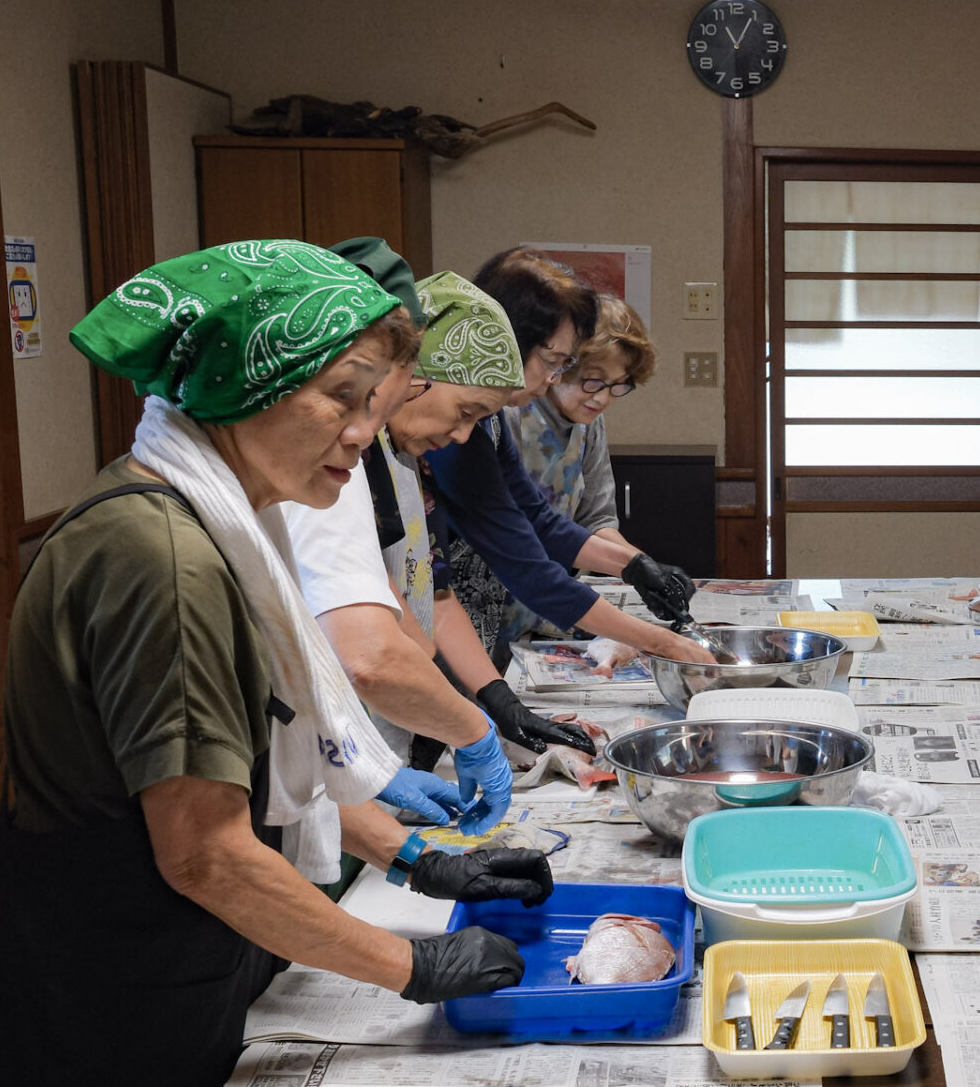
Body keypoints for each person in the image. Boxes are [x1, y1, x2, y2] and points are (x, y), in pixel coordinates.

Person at [0, 241, 556, 1087]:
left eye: (379, 399)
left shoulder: (203, 508)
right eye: (342, 396)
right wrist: (409, 962)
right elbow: (206, 848)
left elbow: (264, 758)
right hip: (109, 969)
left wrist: (413, 854)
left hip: (150, 946)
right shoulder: (168, 558)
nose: (366, 432)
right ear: (249, 378)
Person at [281, 251, 531, 833]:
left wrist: (473, 703)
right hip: (323, 749)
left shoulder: (397, 460)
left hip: (360, 751)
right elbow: (366, 653)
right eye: (465, 411)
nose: (463, 434)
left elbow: (408, 595)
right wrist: (470, 729)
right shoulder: (330, 464)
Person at [425, 247, 709, 665]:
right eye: (553, 362)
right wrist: (663, 643)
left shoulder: (491, 423)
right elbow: (524, 559)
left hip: (492, 626)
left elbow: (541, 521)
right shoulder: (469, 423)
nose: (551, 378)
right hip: (456, 623)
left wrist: (635, 565)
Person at [498, 293, 667, 641]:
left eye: (618, 385)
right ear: (560, 367)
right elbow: (520, 532)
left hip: (548, 609)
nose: (602, 398)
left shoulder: (590, 425)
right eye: (592, 381)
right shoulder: (510, 414)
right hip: (496, 599)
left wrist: (647, 568)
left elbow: (596, 519)